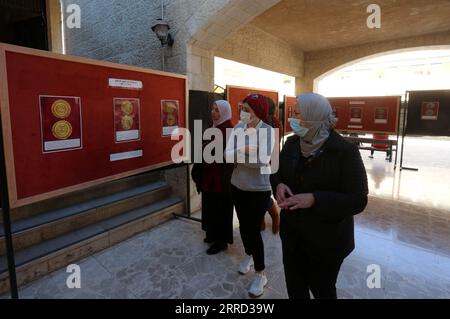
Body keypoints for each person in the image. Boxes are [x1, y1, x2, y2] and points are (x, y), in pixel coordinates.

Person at [270, 93, 368, 299]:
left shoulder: (344, 151)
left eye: (297, 114)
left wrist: (315, 198)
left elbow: (358, 199)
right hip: (293, 237)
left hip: (326, 241)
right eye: (292, 113)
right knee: (295, 289)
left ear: (314, 117)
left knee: (322, 290)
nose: (292, 119)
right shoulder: (292, 144)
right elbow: (276, 171)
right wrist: (278, 184)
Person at [225, 94, 275, 297]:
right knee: (244, 228)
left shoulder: (268, 131)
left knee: (254, 231)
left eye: (247, 109)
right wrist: (244, 150)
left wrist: (238, 153)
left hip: (258, 190)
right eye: (242, 108)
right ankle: (248, 254)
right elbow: (226, 153)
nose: (242, 112)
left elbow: (261, 161)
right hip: (237, 185)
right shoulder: (238, 127)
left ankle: (261, 273)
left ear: (258, 112)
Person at [191, 100, 234, 255]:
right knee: (209, 207)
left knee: (221, 210)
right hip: (209, 177)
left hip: (222, 180)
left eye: (217, 110)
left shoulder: (230, 130)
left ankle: (221, 241)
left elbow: (230, 159)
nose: (213, 112)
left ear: (224, 112)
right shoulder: (212, 127)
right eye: (212, 109)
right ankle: (211, 234)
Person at [261, 97, 282, 234]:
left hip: (268, 162)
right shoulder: (261, 121)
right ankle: (261, 220)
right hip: (260, 161)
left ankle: (275, 218)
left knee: (264, 193)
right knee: (259, 193)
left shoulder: (273, 123)